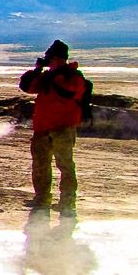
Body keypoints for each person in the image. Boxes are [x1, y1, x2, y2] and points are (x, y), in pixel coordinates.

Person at [18, 40, 88, 213]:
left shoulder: (73, 76)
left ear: (59, 58)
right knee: (40, 164)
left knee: (65, 165)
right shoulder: (48, 76)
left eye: (51, 58)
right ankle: (42, 198)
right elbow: (27, 87)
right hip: (42, 127)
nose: (49, 61)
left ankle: (68, 202)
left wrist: (55, 76)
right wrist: (37, 71)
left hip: (63, 127)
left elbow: (68, 92)